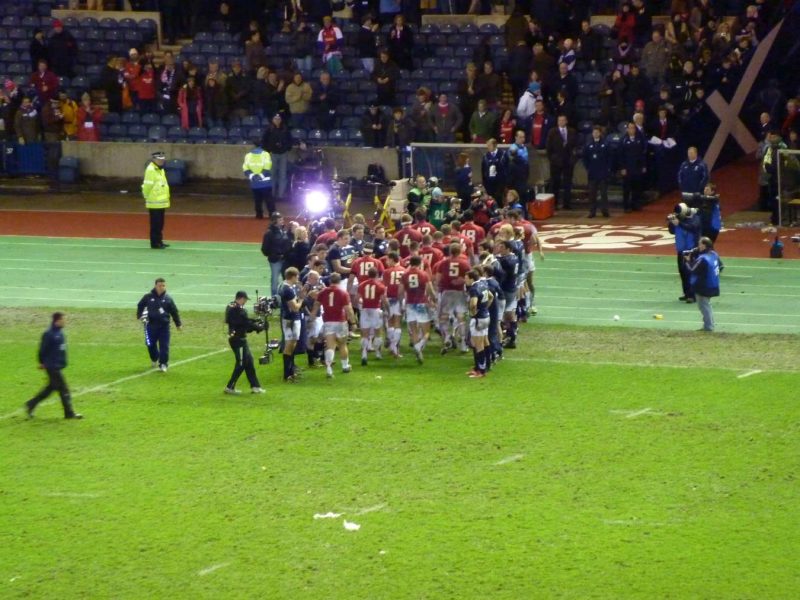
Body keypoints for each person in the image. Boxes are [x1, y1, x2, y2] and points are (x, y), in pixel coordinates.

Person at [24, 312, 82, 420]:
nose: (65, 322)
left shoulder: (60, 333)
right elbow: (42, 349)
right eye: (63, 320)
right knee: (64, 389)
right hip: (52, 366)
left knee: (51, 388)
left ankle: (31, 404)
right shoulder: (49, 334)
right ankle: (69, 413)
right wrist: (41, 362)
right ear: (57, 321)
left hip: (57, 365)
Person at [310, 273, 356, 378]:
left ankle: (329, 369)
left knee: (330, 346)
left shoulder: (323, 292)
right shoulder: (343, 292)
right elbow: (348, 309)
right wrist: (353, 322)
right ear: (339, 281)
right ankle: (345, 366)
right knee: (342, 344)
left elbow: (316, 305)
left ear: (330, 281)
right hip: (341, 321)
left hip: (328, 321)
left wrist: (312, 317)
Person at [224, 291, 266, 395]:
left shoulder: (231, 307)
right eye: (245, 299)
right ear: (241, 298)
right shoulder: (238, 310)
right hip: (238, 340)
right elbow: (246, 324)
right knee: (241, 363)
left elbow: (243, 322)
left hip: (239, 339)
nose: (245, 302)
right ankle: (230, 387)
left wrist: (255, 323)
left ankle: (255, 386)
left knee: (249, 361)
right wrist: (259, 327)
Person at [136, 277, 182, 372]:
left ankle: (163, 364)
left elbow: (174, 312)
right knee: (150, 344)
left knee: (164, 346)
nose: (161, 287)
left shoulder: (168, 299)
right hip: (150, 326)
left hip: (164, 327)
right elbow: (140, 305)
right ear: (155, 286)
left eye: (163, 285)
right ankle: (154, 358)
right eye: (160, 285)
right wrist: (140, 316)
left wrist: (178, 324)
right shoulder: (148, 297)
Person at [399, 255, 436, 364]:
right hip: (421, 304)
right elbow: (430, 289)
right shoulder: (423, 274)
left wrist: (401, 303)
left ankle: (418, 349)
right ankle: (419, 347)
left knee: (414, 330)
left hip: (410, 304)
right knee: (426, 331)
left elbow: (400, 291)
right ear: (420, 263)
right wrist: (434, 299)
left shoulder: (405, 275)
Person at [685, 237, 723, 332]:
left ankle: (708, 327)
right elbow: (721, 266)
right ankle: (709, 325)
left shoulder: (703, 259)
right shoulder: (714, 254)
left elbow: (692, 269)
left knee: (704, 306)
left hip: (703, 286)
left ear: (704, 245)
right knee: (706, 305)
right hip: (713, 284)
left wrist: (687, 260)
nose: (698, 246)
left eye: (699, 244)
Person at [667, 202, 701, 303]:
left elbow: (693, 227)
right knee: (682, 272)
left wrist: (679, 223)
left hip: (691, 250)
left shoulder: (695, 218)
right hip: (681, 250)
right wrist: (671, 222)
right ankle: (687, 293)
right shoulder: (680, 219)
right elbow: (671, 231)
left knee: (690, 273)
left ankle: (692, 295)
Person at [279, 267, 306, 382]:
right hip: (291, 320)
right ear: (293, 276)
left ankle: (290, 371)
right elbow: (295, 308)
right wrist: (301, 300)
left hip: (288, 319)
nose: (298, 278)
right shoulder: (287, 289)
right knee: (290, 346)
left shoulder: (285, 286)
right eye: (297, 276)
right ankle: (287, 374)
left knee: (291, 345)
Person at [465, 269, 493, 378]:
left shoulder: (474, 288)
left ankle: (481, 370)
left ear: (471, 279)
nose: (465, 280)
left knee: (478, 344)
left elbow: (473, 304)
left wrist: (473, 312)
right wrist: (485, 308)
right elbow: (491, 296)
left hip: (478, 319)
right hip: (486, 316)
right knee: (485, 341)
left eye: (466, 278)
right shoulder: (483, 284)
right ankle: (484, 366)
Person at [545, 114, 578, 210]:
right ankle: (554, 204)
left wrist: (573, 159)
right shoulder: (552, 132)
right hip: (556, 162)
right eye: (560, 120)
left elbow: (575, 146)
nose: (561, 122)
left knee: (568, 183)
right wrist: (552, 159)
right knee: (555, 183)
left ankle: (567, 204)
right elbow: (548, 147)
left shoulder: (572, 131)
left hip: (568, 161)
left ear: (566, 121)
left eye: (563, 120)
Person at [356, 265, 387, 366]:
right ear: (377, 275)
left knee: (365, 334)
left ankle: (364, 354)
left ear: (368, 275)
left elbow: (357, 299)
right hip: (375, 310)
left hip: (365, 310)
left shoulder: (362, 285)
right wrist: (387, 309)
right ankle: (378, 353)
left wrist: (362, 302)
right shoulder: (380, 286)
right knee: (378, 333)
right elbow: (383, 300)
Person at [261, 112, 293, 203]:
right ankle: (272, 195)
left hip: (283, 154)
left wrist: (287, 147)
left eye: (279, 119)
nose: (277, 120)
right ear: (272, 120)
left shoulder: (285, 129)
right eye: (275, 119)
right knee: (272, 175)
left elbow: (290, 140)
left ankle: (281, 195)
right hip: (273, 154)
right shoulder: (269, 129)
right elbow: (264, 141)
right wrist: (268, 150)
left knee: (283, 175)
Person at [141, 151, 171, 249]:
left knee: (160, 223)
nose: (161, 161)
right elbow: (147, 186)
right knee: (155, 224)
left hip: (161, 202)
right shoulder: (151, 170)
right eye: (159, 159)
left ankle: (159, 241)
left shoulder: (160, 169)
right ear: (154, 159)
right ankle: (155, 243)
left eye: (162, 159)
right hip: (154, 201)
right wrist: (146, 196)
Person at [582, 125, 611, 218]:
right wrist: (588, 168)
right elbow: (585, 158)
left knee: (603, 193)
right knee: (592, 194)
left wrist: (607, 168)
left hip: (603, 172)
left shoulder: (605, 144)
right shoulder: (588, 145)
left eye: (597, 132)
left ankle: (605, 211)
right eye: (594, 132)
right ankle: (592, 211)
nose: (595, 134)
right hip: (592, 173)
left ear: (600, 133)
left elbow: (609, 157)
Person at [261, 212, 292, 296]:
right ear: (275, 221)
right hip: (275, 260)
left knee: (285, 278)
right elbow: (264, 248)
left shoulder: (283, 231)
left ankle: (285, 296)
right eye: (280, 219)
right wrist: (273, 255)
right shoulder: (269, 233)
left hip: (284, 259)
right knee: (275, 279)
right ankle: (274, 297)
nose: (282, 221)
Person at [619, 122, 647, 212]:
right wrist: (622, 167)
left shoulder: (639, 139)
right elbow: (620, 155)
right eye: (630, 128)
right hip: (627, 168)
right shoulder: (623, 140)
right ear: (627, 129)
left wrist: (643, 165)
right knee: (627, 188)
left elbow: (642, 153)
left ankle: (635, 204)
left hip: (637, 167)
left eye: (633, 128)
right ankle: (626, 206)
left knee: (637, 187)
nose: (632, 130)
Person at [242, 140, 273, 219]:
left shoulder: (248, 155)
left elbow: (245, 168)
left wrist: (253, 176)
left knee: (257, 200)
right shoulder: (266, 154)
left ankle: (259, 214)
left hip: (254, 183)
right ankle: (272, 214)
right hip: (265, 182)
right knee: (269, 200)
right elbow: (267, 167)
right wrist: (260, 176)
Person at [481, 138, 507, 202]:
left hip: (500, 184)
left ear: (495, 145)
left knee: (499, 201)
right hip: (489, 185)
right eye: (487, 145)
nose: (488, 147)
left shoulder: (503, 154)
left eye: (489, 145)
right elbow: (483, 171)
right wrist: (485, 184)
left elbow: (507, 169)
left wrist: (505, 183)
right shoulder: (485, 156)